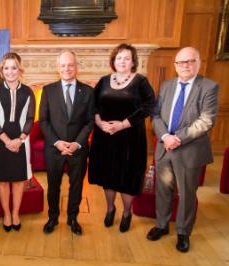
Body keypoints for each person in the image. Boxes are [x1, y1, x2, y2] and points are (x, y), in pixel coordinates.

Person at [147, 47, 219, 252]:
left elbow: (206, 121)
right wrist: (165, 136)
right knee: (162, 189)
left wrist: (177, 138)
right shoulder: (167, 85)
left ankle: (183, 232)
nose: (185, 65)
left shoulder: (209, 87)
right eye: (181, 62)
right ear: (175, 65)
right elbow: (155, 115)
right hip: (164, 147)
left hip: (189, 150)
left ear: (198, 62)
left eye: (190, 61)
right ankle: (161, 225)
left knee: (187, 193)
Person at [88, 43, 155, 232]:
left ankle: (126, 212)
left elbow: (149, 106)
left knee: (127, 178)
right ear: (113, 61)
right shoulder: (103, 81)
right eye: (119, 58)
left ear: (133, 61)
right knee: (107, 176)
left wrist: (123, 124)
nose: (122, 61)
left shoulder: (141, 81)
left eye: (126, 58)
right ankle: (110, 208)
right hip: (105, 137)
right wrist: (100, 123)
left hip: (130, 138)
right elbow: (92, 105)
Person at [39, 50, 94, 235]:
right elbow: (43, 121)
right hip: (54, 149)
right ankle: (52, 217)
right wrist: (57, 143)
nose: (67, 68)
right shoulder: (48, 90)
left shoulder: (88, 91)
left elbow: (89, 121)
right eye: (63, 65)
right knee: (53, 185)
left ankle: (73, 218)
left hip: (78, 149)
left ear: (76, 67)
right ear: (58, 68)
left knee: (76, 186)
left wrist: (77, 143)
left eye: (70, 65)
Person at [0, 52, 35, 232]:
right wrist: (7, 140)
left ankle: (16, 213)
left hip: (22, 141)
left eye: (13, 68)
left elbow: (31, 118)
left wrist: (20, 139)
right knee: (3, 180)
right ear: (2, 70)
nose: (10, 71)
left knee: (19, 180)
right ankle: (6, 213)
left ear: (19, 69)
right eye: (6, 68)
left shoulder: (28, 91)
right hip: (0, 141)